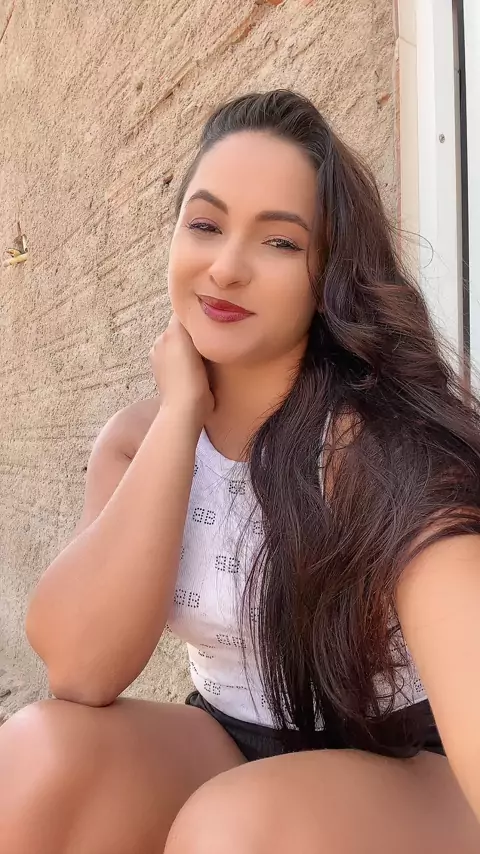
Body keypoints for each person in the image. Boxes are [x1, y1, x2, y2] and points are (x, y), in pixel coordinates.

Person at [1, 89, 480, 853]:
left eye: (279, 242)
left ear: (328, 272)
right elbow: (81, 672)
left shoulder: (380, 450)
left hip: (410, 772)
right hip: (231, 742)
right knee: (37, 757)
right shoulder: (138, 440)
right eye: (206, 225)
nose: (225, 269)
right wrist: (180, 413)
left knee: (233, 830)